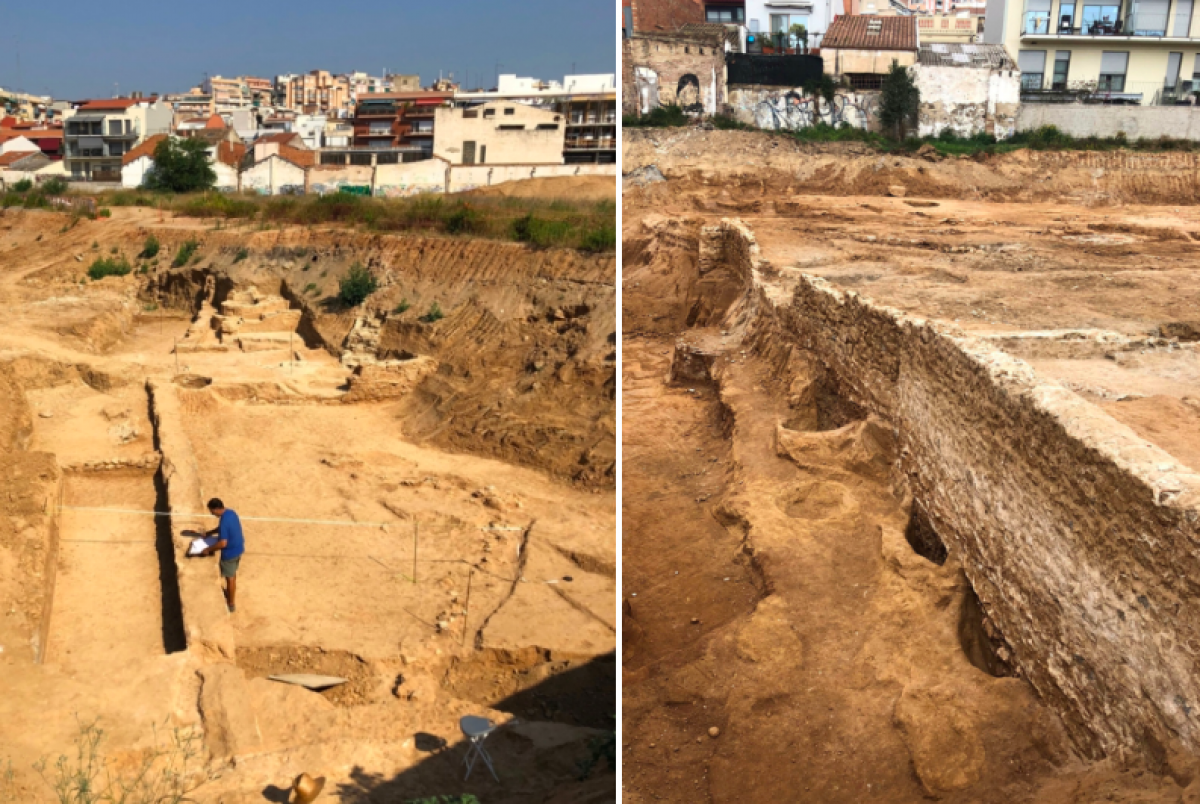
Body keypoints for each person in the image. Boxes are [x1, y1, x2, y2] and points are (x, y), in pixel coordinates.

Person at [200, 498, 244, 613]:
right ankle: (231, 595)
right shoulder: (231, 513)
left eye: (211, 511)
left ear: (216, 509)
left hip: (230, 553)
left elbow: (223, 543)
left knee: (230, 579)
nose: (211, 513)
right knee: (232, 575)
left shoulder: (223, 520)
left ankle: (231, 603)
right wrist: (209, 533)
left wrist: (208, 549)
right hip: (239, 548)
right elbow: (223, 529)